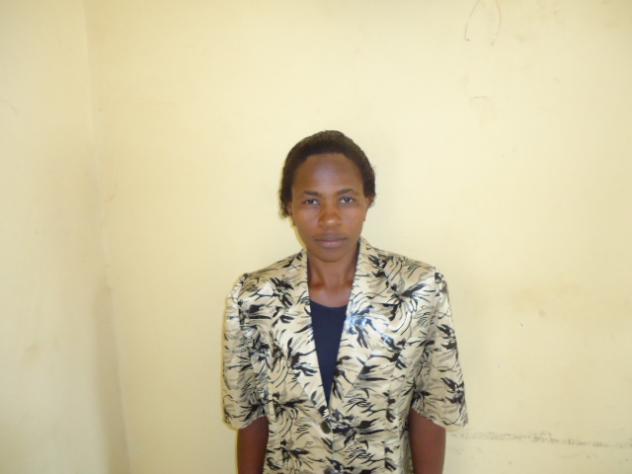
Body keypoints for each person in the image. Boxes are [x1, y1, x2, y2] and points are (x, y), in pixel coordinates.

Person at [222, 130, 467, 474]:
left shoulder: (419, 290)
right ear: (289, 206)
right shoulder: (252, 298)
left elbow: (430, 410)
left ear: (368, 201)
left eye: (347, 199)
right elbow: (251, 418)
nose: (329, 218)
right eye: (311, 201)